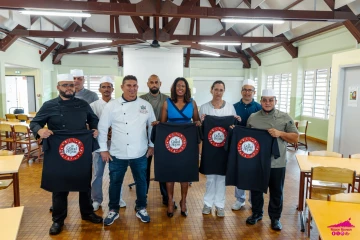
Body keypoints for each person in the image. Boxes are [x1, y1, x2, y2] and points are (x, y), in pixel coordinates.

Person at [30, 74, 103, 235]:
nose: (69, 88)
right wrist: (40, 130)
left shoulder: (83, 104)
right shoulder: (49, 105)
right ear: (58, 87)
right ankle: (58, 220)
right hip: (58, 152)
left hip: (80, 150)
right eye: (65, 85)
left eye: (71, 85)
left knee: (84, 182)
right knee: (59, 186)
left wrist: (94, 127)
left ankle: (87, 212)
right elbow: (34, 123)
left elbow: (93, 119)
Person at [98, 75, 155, 225]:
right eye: (129, 85)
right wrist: (103, 149)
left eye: (135, 85)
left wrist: (152, 145)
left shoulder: (145, 105)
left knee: (141, 181)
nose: (132, 88)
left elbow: (152, 127)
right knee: (115, 182)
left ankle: (141, 207)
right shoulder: (112, 105)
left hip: (140, 151)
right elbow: (103, 128)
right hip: (117, 152)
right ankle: (113, 210)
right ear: (122, 87)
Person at [245, 89, 299, 231]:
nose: (267, 103)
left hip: (277, 162)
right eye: (264, 100)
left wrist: (280, 133)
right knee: (256, 189)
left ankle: (275, 218)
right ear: (261, 101)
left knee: (276, 191)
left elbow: (295, 137)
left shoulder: (284, 117)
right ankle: (256, 213)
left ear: (275, 101)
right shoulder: (253, 117)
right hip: (256, 162)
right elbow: (246, 138)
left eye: (271, 100)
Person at [160, 77, 200, 217]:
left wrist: (199, 123)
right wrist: (156, 125)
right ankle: (170, 201)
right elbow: (162, 124)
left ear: (186, 88)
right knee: (170, 173)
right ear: (174, 88)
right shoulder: (167, 103)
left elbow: (196, 121)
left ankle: (184, 201)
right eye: (178, 86)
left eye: (183, 86)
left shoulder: (192, 103)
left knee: (185, 173)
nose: (180, 88)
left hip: (187, 143)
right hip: (170, 143)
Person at [199, 80, 240, 217]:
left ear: (224, 91)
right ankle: (207, 204)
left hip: (224, 149)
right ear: (211, 90)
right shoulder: (204, 108)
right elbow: (200, 129)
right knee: (210, 178)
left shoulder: (230, 108)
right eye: (216, 89)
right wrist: (202, 121)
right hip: (209, 150)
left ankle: (220, 205)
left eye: (221, 90)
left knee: (222, 178)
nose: (218, 92)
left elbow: (233, 129)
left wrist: (236, 122)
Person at [90, 76, 126, 211]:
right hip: (99, 144)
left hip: (116, 143)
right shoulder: (93, 106)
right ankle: (96, 199)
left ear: (112, 89)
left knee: (117, 172)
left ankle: (118, 198)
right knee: (98, 173)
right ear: (99, 89)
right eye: (103, 87)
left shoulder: (119, 104)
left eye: (109, 87)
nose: (106, 89)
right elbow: (90, 124)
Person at [140, 74, 173, 207]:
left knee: (163, 169)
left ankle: (167, 197)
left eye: (156, 82)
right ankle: (143, 197)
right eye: (151, 82)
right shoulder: (141, 100)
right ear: (147, 84)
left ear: (160, 84)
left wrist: (161, 123)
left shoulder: (168, 99)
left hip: (162, 139)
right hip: (143, 139)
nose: (154, 84)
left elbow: (171, 118)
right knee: (144, 169)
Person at [231, 79, 262, 211]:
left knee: (254, 172)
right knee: (240, 170)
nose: (247, 92)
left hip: (255, 145)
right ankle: (240, 199)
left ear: (254, 92)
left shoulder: (259, 108)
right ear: (241, 91)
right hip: (239, 144)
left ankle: (253, 200)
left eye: (250, 90)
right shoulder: (233, 107)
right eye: (245, 90)